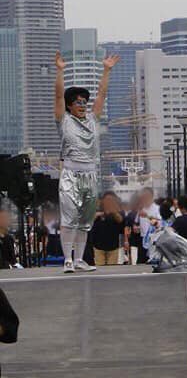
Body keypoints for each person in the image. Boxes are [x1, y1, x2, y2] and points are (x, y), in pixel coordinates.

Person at [54, 50, 119, 273]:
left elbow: (102, 95)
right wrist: (60, 71)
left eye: (84, 102)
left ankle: (79, 259)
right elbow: (58, 96)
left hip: (90, 175)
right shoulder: (64, 121)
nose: (82, 105)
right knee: (69, 219)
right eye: (77, 102)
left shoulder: (92, 119)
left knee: (85, 221)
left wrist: (106, 70)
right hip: (71, 174)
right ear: (70, 106)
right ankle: (67, 260)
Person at [91, 192, 125, 266]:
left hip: (113, 246)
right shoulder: (97, 209)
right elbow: (89, 221)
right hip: (98, 246)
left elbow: (121, 220)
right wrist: (97, 215)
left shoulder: (118, 210)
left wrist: (114, 212)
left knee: (112, 268)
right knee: (100, 268)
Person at [138, 187, 161, 263]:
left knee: (152, 262)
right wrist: (136, 227)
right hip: (142, 238)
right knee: (141, 262)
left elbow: (159, 222)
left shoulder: (157, 208)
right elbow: (137, 222)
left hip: (154, 240)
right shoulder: (141, 208)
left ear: (151, 196)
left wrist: (147, 216)